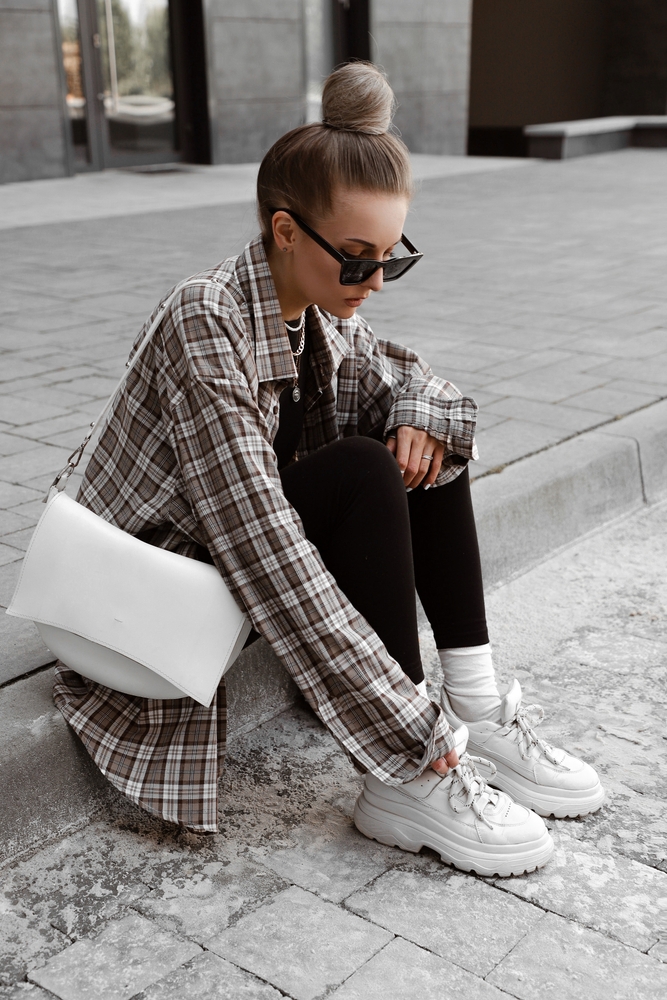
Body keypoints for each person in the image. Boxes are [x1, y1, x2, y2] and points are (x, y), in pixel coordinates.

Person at [54, 63, 603, 877]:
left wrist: (423, 419)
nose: (374, 283)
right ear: (284, 232)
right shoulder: (204, 319)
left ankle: (474, 700)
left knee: (413, 441)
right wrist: (402, 729)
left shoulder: (312, 308)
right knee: (360, 470)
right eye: (355, 259)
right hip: (134, 588)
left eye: (390, 258)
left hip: (213, 559)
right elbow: (263, 544)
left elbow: (413, 379)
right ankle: (408, 774)